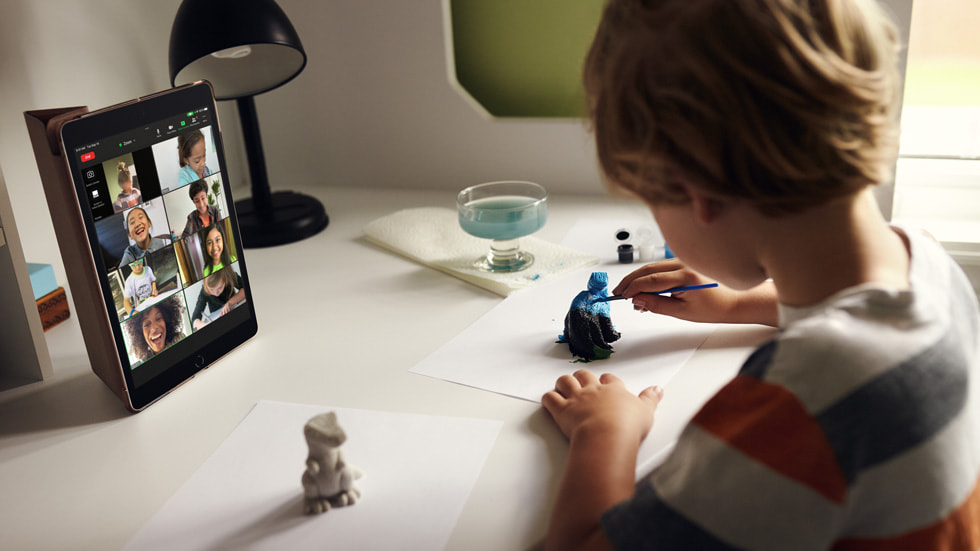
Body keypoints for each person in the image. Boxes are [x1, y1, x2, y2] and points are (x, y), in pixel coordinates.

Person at [540, 1, 980, 549]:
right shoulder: (927, 259)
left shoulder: (799, 403)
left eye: (650, 200)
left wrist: (604, 432)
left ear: (697, 192)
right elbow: (864, 316)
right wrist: (736, 304)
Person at [123, 295, 187, 363]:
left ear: (166, 320)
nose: (154, 329)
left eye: (158, 319)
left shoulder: (179, 339)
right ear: (140, 332)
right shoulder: (145, 361)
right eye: (147, 324)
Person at [191, 266, 245, 330]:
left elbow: (246, 289)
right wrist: (205, 325)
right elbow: (194, 321)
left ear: (225, 280)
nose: (216, 293)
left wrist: (230, 303)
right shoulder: (204, 291)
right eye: (211, 290)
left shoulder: (230, 276)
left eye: (220, 288)